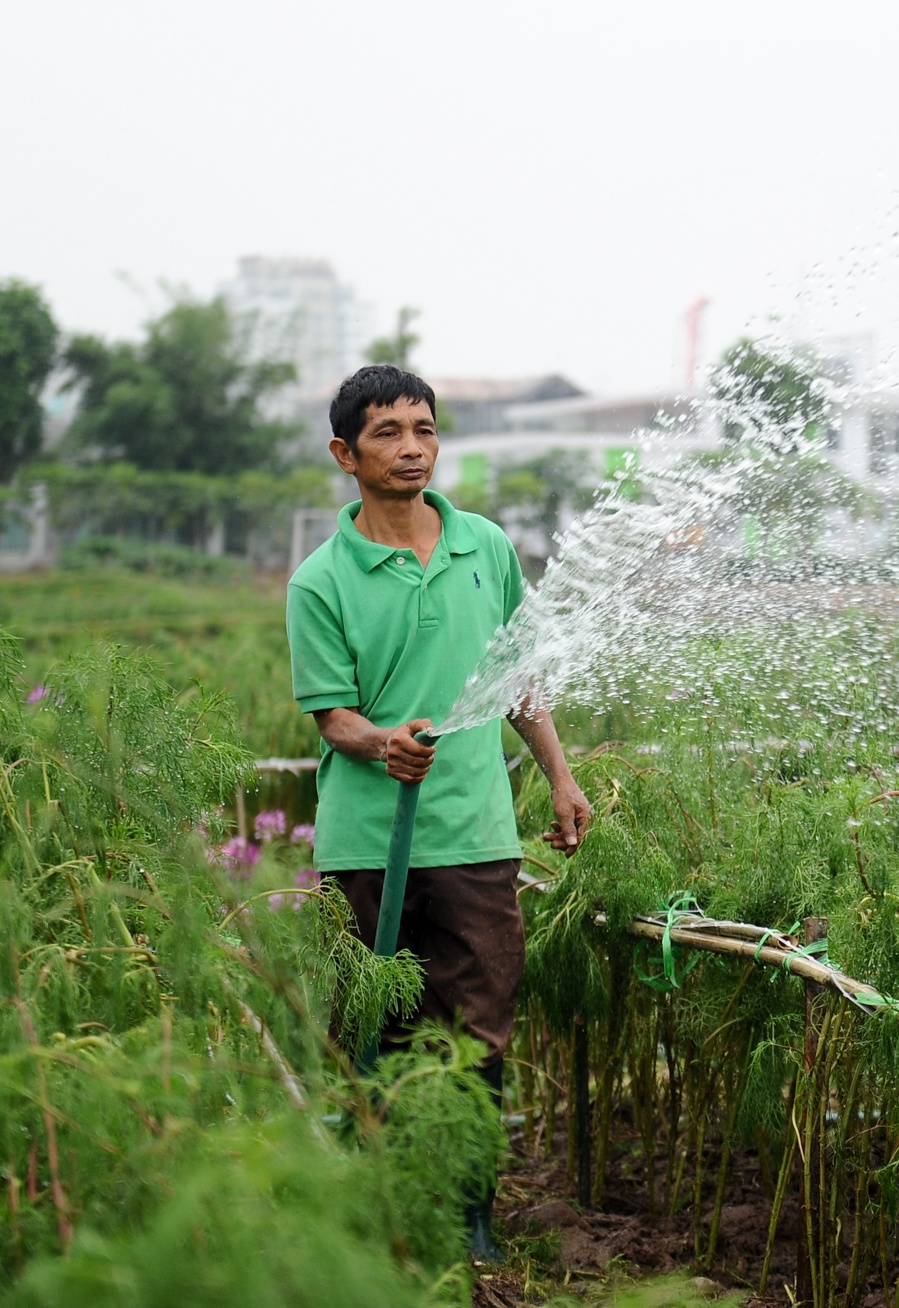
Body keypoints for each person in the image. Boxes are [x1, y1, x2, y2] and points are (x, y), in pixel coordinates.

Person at [287, 364, 592, 1262]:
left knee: (479, 1030)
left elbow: (518, 683)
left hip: (474, 833)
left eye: (423, 429)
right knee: (377, 1027)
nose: (411, 448)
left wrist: (562, 779)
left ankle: (470, 1212)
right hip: (365, 842)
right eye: (387, 433)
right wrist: (383, 742)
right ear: (346, 454)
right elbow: (332, 715)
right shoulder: (320, 581)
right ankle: (385, 1205)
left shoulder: (485, 548)